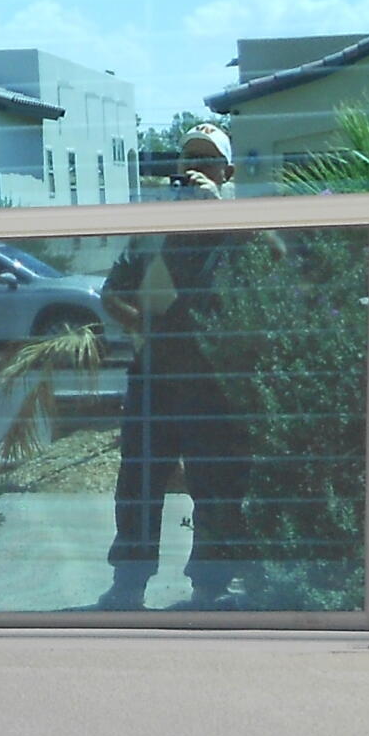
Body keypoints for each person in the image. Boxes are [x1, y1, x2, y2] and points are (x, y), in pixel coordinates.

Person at [99, 126, 254, 610]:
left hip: (214, 381)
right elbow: (112, 293)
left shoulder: (239, 228)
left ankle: (211, 586)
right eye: (189, 158)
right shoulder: (156, 228)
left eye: (208, 161)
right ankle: (129, 583)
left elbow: (267, 269)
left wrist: (216, 209)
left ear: (227, 173)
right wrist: (142, 331)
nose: (195, 169)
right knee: (138, 483)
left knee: (215, 483)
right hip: (154, 377)